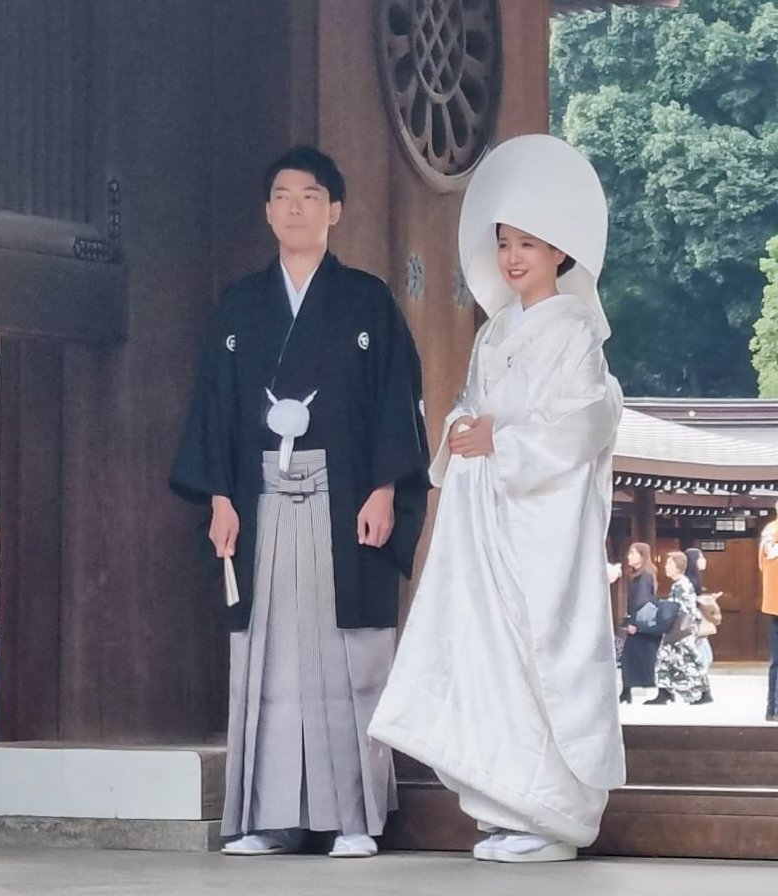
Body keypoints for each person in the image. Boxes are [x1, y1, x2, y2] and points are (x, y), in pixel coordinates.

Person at [368, 134, 625, 864]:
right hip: (492, 528)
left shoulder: (575, 335)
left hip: (542, 529)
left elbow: (579, 428)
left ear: (560, 254)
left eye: (530, 244)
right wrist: (466, 431)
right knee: (493, 660)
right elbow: (466, 412)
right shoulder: (492, 338)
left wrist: (501, 445)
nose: (513, 257)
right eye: (506, 243)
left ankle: (556, 814)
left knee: (543, 654)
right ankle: (513, 803)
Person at [169, 145, 429, 858]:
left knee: (348, 655)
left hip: (344, 495)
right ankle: (269, 817)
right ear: (267, 211)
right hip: (258, 499)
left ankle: (355, 817)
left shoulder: (368, 300)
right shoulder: (240, 306)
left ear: (335, 211)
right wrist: (220, 497)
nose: (294, 207)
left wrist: (384, 488)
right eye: (282, 195)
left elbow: (394, 403)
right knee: (270, 657)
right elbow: (214, 408)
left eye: (311, 196)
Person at [646, 551, 706, 706]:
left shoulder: (680, 586)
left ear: (678, 567)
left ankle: (701, 692)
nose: (666, 567)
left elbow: (677, 609)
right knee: (671, 659)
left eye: (669, 564)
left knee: (687, 660)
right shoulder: (682, 584)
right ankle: (666, 692)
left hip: (680, 630)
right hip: (683, 629)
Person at [619, 543, 661, 704]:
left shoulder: (644, 576)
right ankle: (626, 691)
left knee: (633, 658)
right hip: (643, 624)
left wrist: (633, 622)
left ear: (642, 556)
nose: (629, 557)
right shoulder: (642, 575)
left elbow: (641, 601)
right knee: (633, 658)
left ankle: (628, 691)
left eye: (632, 553)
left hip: (640, 625)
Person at [685, 547, 718, 705]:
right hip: (694, 625)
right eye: (701, 557)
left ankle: (702, 692)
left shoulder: (694, 579)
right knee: (702, 658)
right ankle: (700, 692)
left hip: (695, 625)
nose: (704, 560)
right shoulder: (690, 581)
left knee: (703, 657)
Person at [758, 504, 778, 722]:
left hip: (772, 602)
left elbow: (763, 564)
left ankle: (772, 708)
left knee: (776, 660)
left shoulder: (768, 531)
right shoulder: (772, 532)